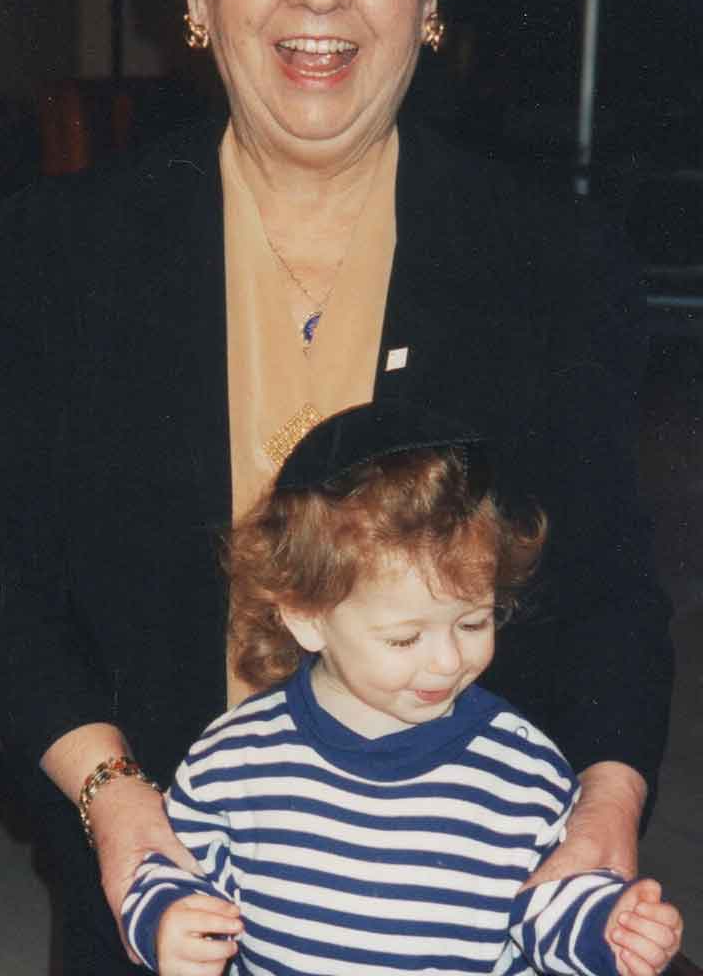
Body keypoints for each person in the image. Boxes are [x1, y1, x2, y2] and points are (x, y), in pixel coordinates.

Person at [0, 0, 673, 971]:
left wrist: (603, 808)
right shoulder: (64, 250)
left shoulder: (553, 261)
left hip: (465, 914)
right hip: (166, 895)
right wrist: (117, 803)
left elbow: (609, 595)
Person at [121, 403, 682, 976]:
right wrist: (165, 921)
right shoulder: (235, 756)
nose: (448, 661)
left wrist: (610, 932)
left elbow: (554, 909)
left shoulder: (524, 771)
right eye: (405, 638)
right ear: (307, 617)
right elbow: (171, 870)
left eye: (473, 623)